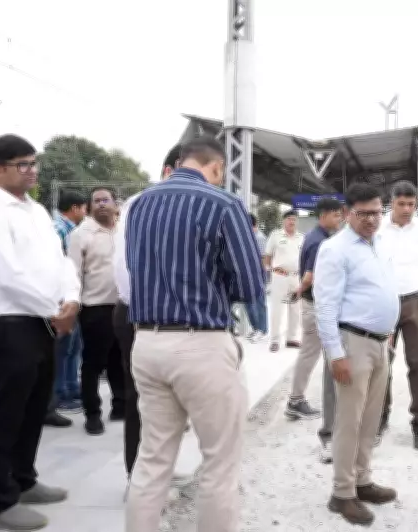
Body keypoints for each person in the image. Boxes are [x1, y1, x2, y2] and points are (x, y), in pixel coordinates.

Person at [124, 136, 265, 532]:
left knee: (152, 459)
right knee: (220, 462)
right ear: (216, 166)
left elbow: (135, 268)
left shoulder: (139, 205)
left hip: (147, 341)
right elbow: (251, 285)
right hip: (201, 343)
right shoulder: (223, 204)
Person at [0, 134, 79, 530]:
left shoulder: (38, 211)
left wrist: (71, 299)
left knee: (33, 409)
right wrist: (54, 310)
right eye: (22, 164)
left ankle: (23, 479)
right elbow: (6, 273)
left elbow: (61, 261)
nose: (32, 171)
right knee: (5, 413)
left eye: (34, 163)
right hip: (9, 323)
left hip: (44, 321)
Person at [314, 183, 400, 526]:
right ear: (347, 213)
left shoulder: (380, 243)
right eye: (364, 213)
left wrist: (387, 332)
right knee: (349, 421)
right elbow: (325, 306)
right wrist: (336, 354)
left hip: (380, 343)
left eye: (377, 212)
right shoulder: (335, 250)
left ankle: (362, 480)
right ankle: (342, 493)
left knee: (370, 419)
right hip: (352, 344)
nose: (372, 219)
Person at [112, 144, 182, 484]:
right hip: (140, 314)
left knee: (168, 401)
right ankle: (137, 475)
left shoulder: (181, 206)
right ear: (169, 171)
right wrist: (145, 312)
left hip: (167, 317)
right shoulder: (141, 204)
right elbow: (124, 267)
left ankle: (159, 470)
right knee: (141, 399)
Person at [377, 181, 418, 450]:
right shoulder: (378, 227)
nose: (406, 209)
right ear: (391, 202)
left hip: (415, 302)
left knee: (417, 363)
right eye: (401, 204)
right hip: (385, 302)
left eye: (411, 204)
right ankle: (380, 415)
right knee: (383, 363)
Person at [283, 198, 344, 455]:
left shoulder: (314, 236)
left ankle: (296, 399)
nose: (339, 219)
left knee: (310, 353)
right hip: (315, 305)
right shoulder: (320, 241)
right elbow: (310, 276)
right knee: (310, 354)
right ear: (324, 215)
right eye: (336, 215)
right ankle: (295, 400)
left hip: (311, 304)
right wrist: (300, 290)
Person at [67, 187, 126, 435]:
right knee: (93, 363)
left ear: (115, 204)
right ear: (90, 207)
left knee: (119, 360)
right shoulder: (81, 235)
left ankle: (120, 406)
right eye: (96, 201)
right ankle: (92, 414)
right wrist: (72, 305)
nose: (101, 204)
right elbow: (73, 273)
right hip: (94, 307)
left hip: (123, 305)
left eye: (106, 200)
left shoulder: (124, 231)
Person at [44, 191, 88, 428]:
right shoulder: (58, 230)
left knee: (73, 348)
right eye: (84, 207)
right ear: (75, 208)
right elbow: (58, 266)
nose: (85, 212)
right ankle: (61, 393)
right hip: (61, 300)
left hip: (70, 297)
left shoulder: (67, 228)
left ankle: (71, 389)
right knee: (63, 350)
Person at [264, 210, 304, 352]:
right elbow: (267, 256)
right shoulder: (275, 236)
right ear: (284, 221)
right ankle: (275, 340)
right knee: (277, 309)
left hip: (296, 277)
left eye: (294, 219)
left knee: (296, 309)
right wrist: (270, 270)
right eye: (289, 219)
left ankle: (292, 338)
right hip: (279, 276)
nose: (292, 222)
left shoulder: (301, 238)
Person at [245, 213, 269, 342]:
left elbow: (263, 258)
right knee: (249, 303)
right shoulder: (248, 237)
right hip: (248, 274)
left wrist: (260, 276)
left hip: (257, 274)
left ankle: (262, 330)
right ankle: (255, 328)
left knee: (259, 303)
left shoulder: (259, 238)